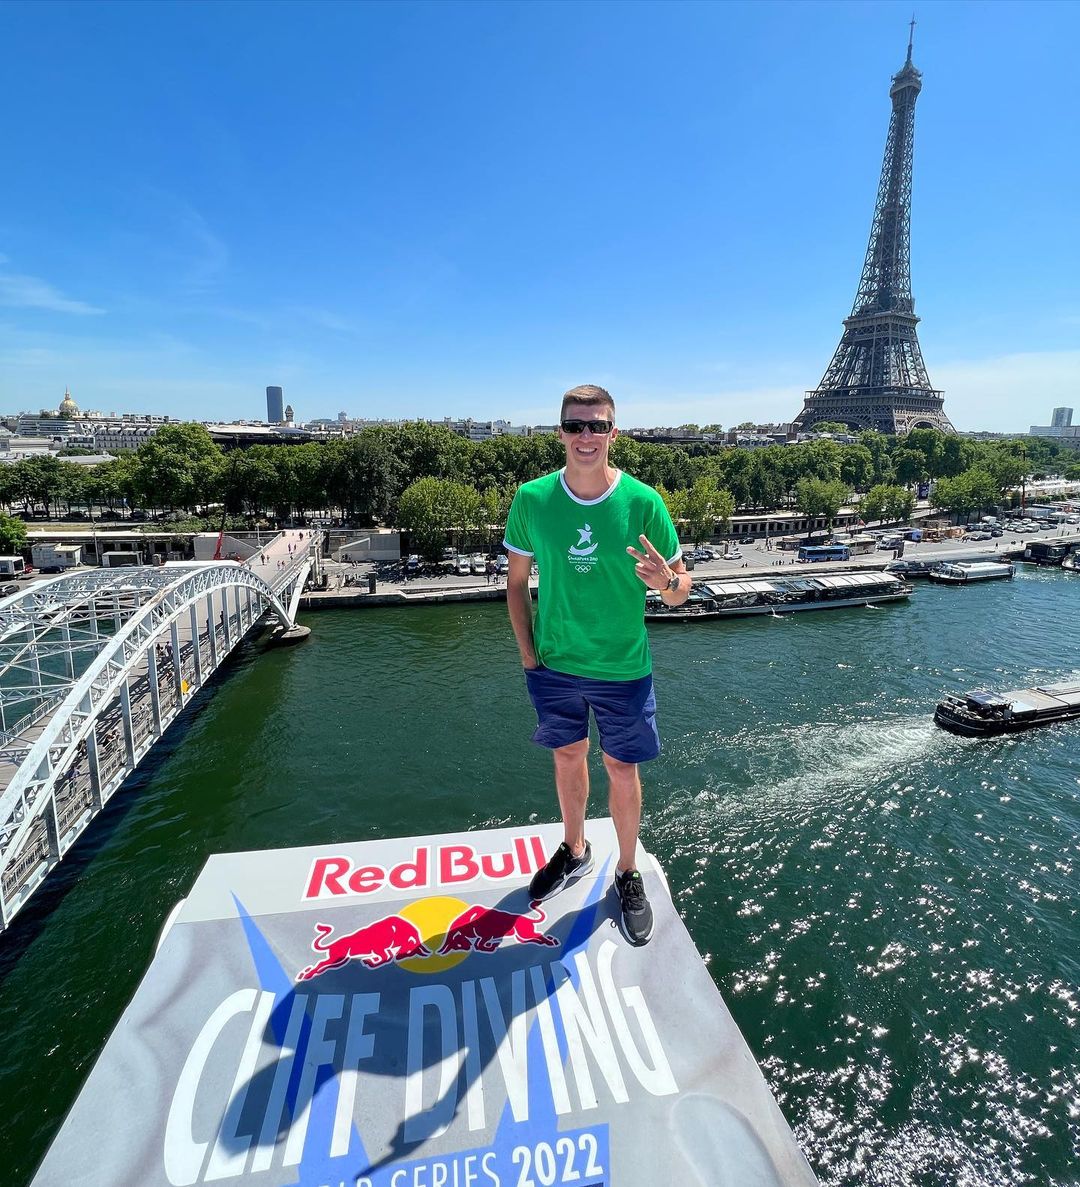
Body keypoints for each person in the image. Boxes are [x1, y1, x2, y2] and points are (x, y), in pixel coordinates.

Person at [504, 384, 689, 946]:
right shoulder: (532, 499)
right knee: (567, 756)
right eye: (575, 425)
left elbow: (681, 591)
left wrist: (666, 582)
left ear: (614, 432)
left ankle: (627, 871)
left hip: (622, 667)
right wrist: (529, 654)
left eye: (597, 425)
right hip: (555, 664)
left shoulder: (644, 503)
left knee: (621, 769)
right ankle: (575, 848)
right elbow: (516, 585)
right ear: (560, 432)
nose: (586, 436)